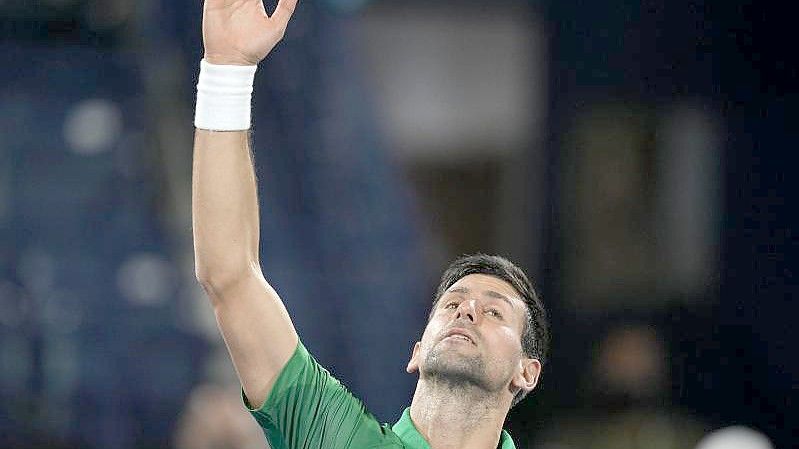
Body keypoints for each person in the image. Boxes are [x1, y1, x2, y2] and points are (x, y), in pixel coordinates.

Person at [191, 0, 550, 448]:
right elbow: (230, 278)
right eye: (451, 304)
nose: (467, 310)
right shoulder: (335, 435)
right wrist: (227, 70)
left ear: (527, 371)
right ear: (417, 351)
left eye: (494, 310)